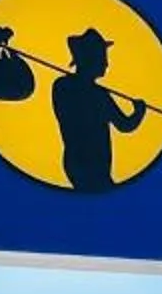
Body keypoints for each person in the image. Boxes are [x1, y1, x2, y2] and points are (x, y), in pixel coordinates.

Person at [51, 27, 147, 193]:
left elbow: (124, 125)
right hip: (88, 162)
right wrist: (139, 111)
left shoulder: (64, 86)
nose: (106, 63)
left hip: (80, 161)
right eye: (102, 58)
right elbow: (125, 125)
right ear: (89, 59)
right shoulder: (87, 92)